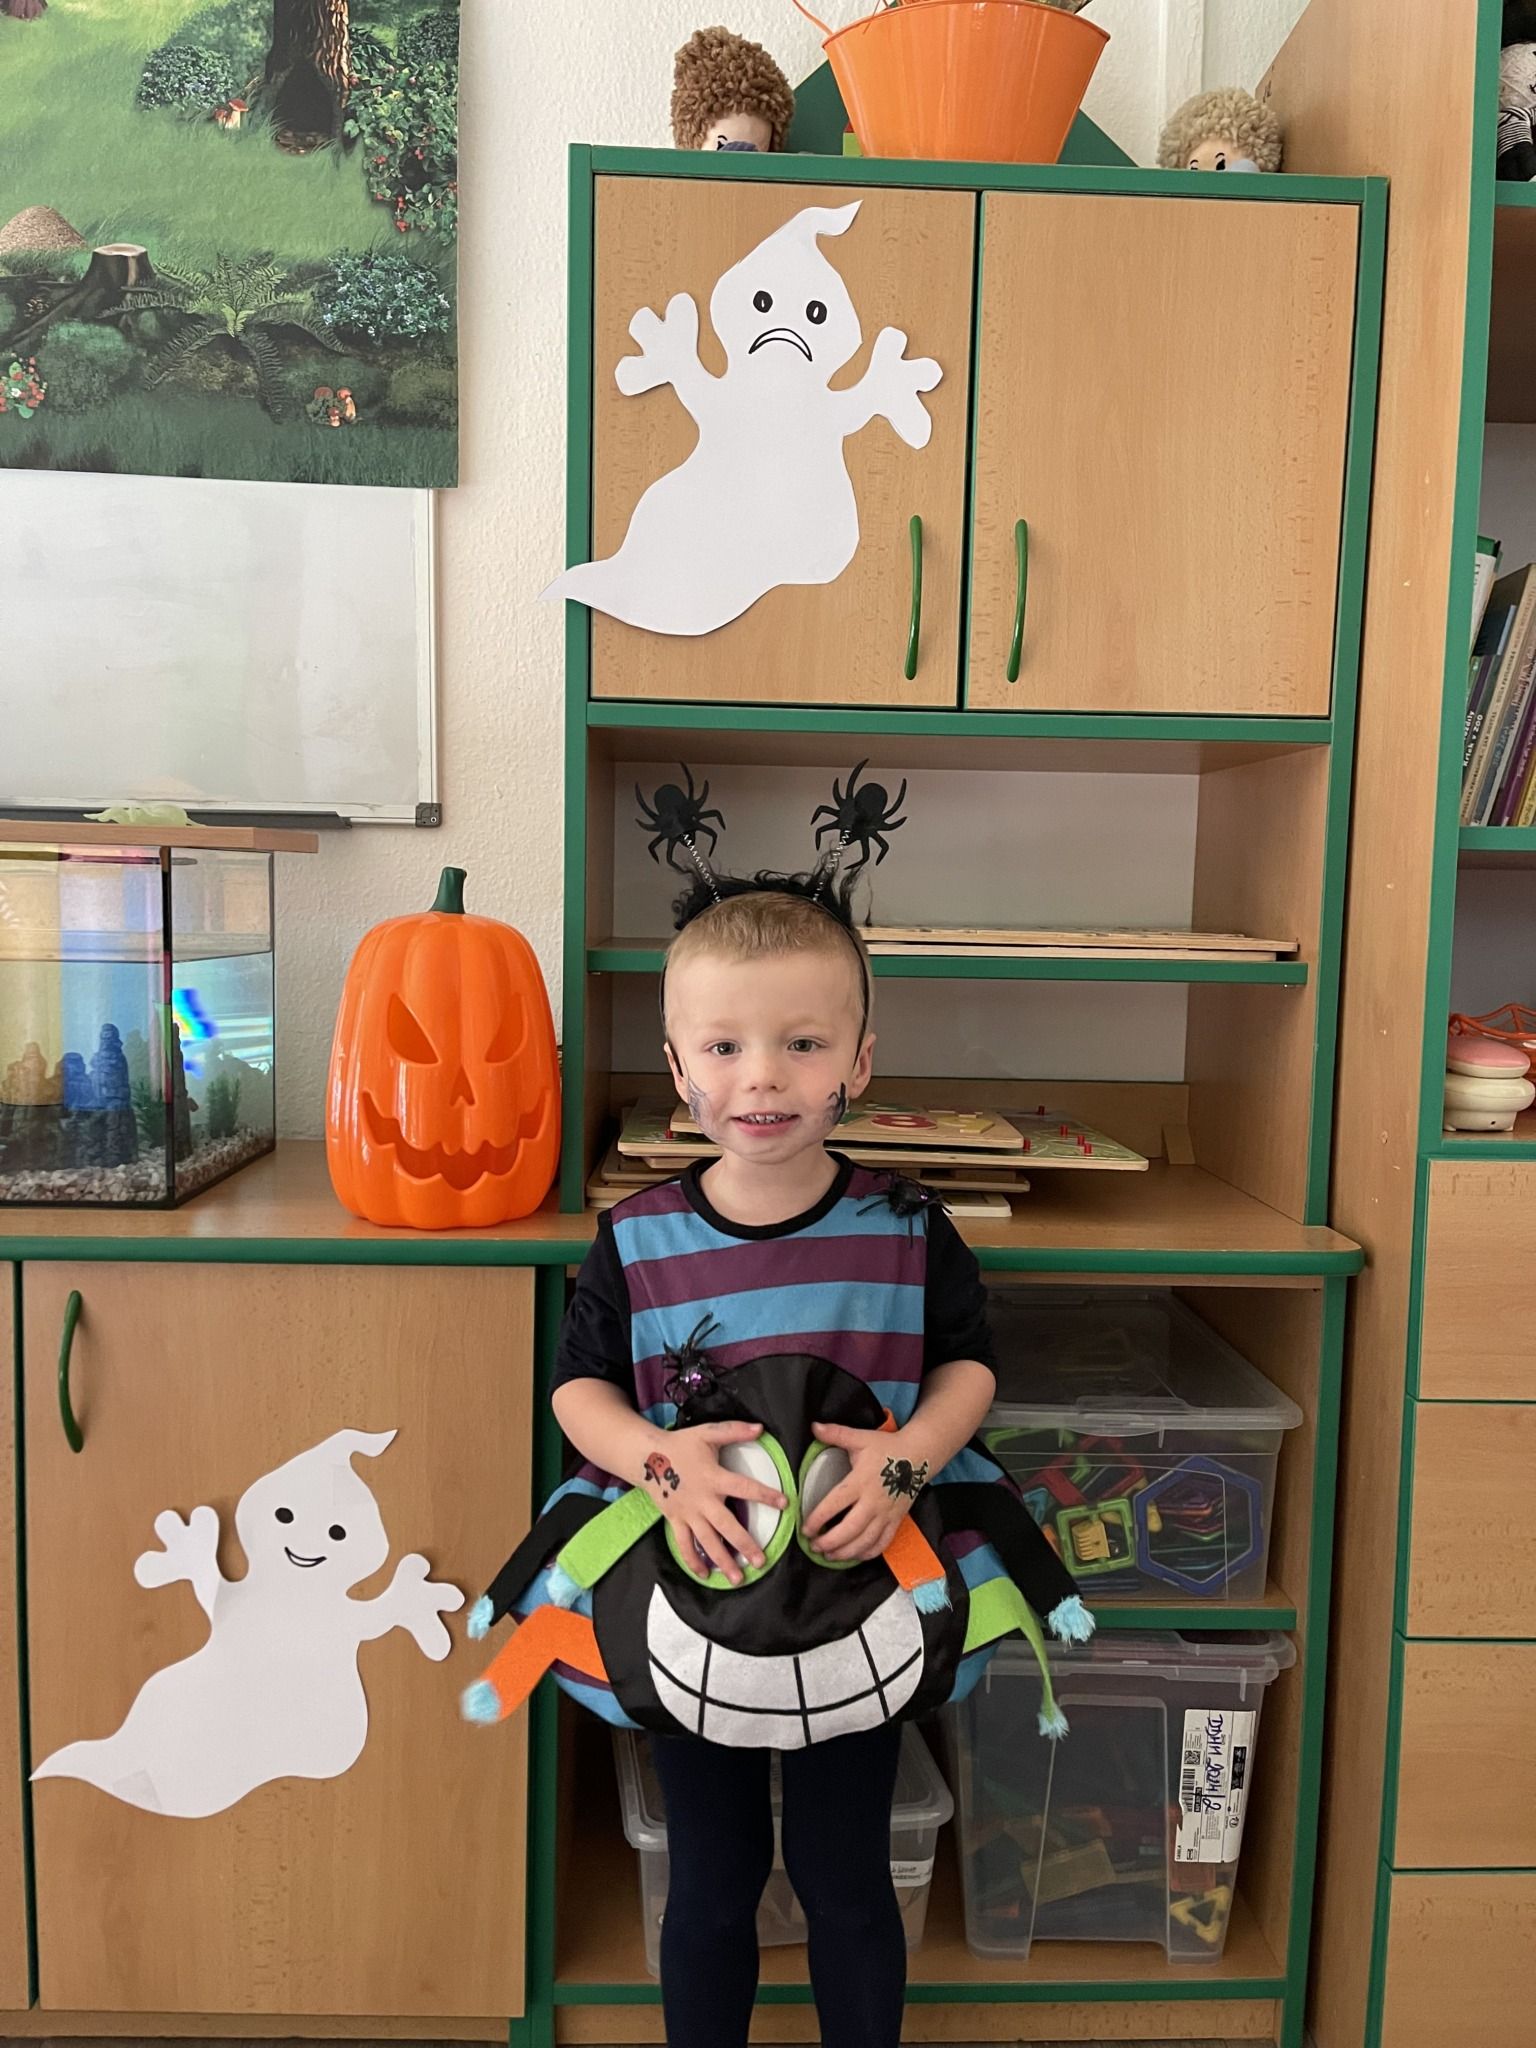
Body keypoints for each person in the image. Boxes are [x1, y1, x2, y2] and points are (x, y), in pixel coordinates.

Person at [550, 877, 1002, 2048]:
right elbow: (579, 1390)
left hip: (859, 1594)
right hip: (698, 1595)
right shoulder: (634, 1238)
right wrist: (660, 1462)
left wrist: (909, 1460)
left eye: (803, 1043)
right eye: (724, 1045)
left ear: (860, 1058)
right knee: (711, 1876)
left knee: (845, 1871)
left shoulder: (908, 1224)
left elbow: (968, 1365)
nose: (762, 1077)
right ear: (677, 1063)